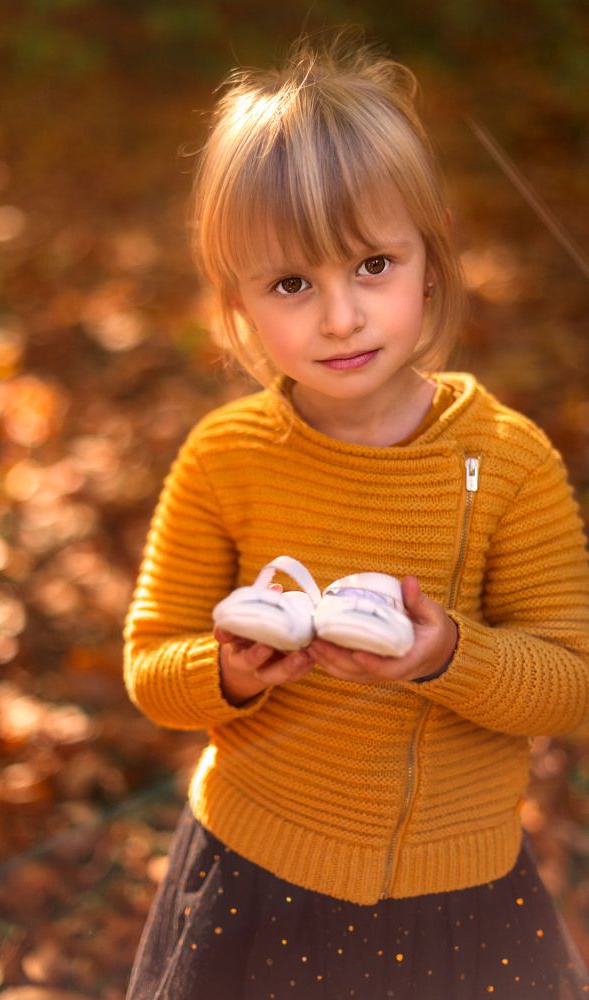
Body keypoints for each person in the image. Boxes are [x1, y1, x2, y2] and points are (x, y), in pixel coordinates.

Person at [123, 31, 589, 999]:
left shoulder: (504, 458)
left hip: (456, 900)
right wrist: (229, 670)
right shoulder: (226, 456)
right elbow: (150, 666)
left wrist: (444, 654)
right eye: (291, 283)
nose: (338, 316)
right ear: (240, 305)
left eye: (372, 264)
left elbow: (572, 683)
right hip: (251, 879)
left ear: (431, 260)